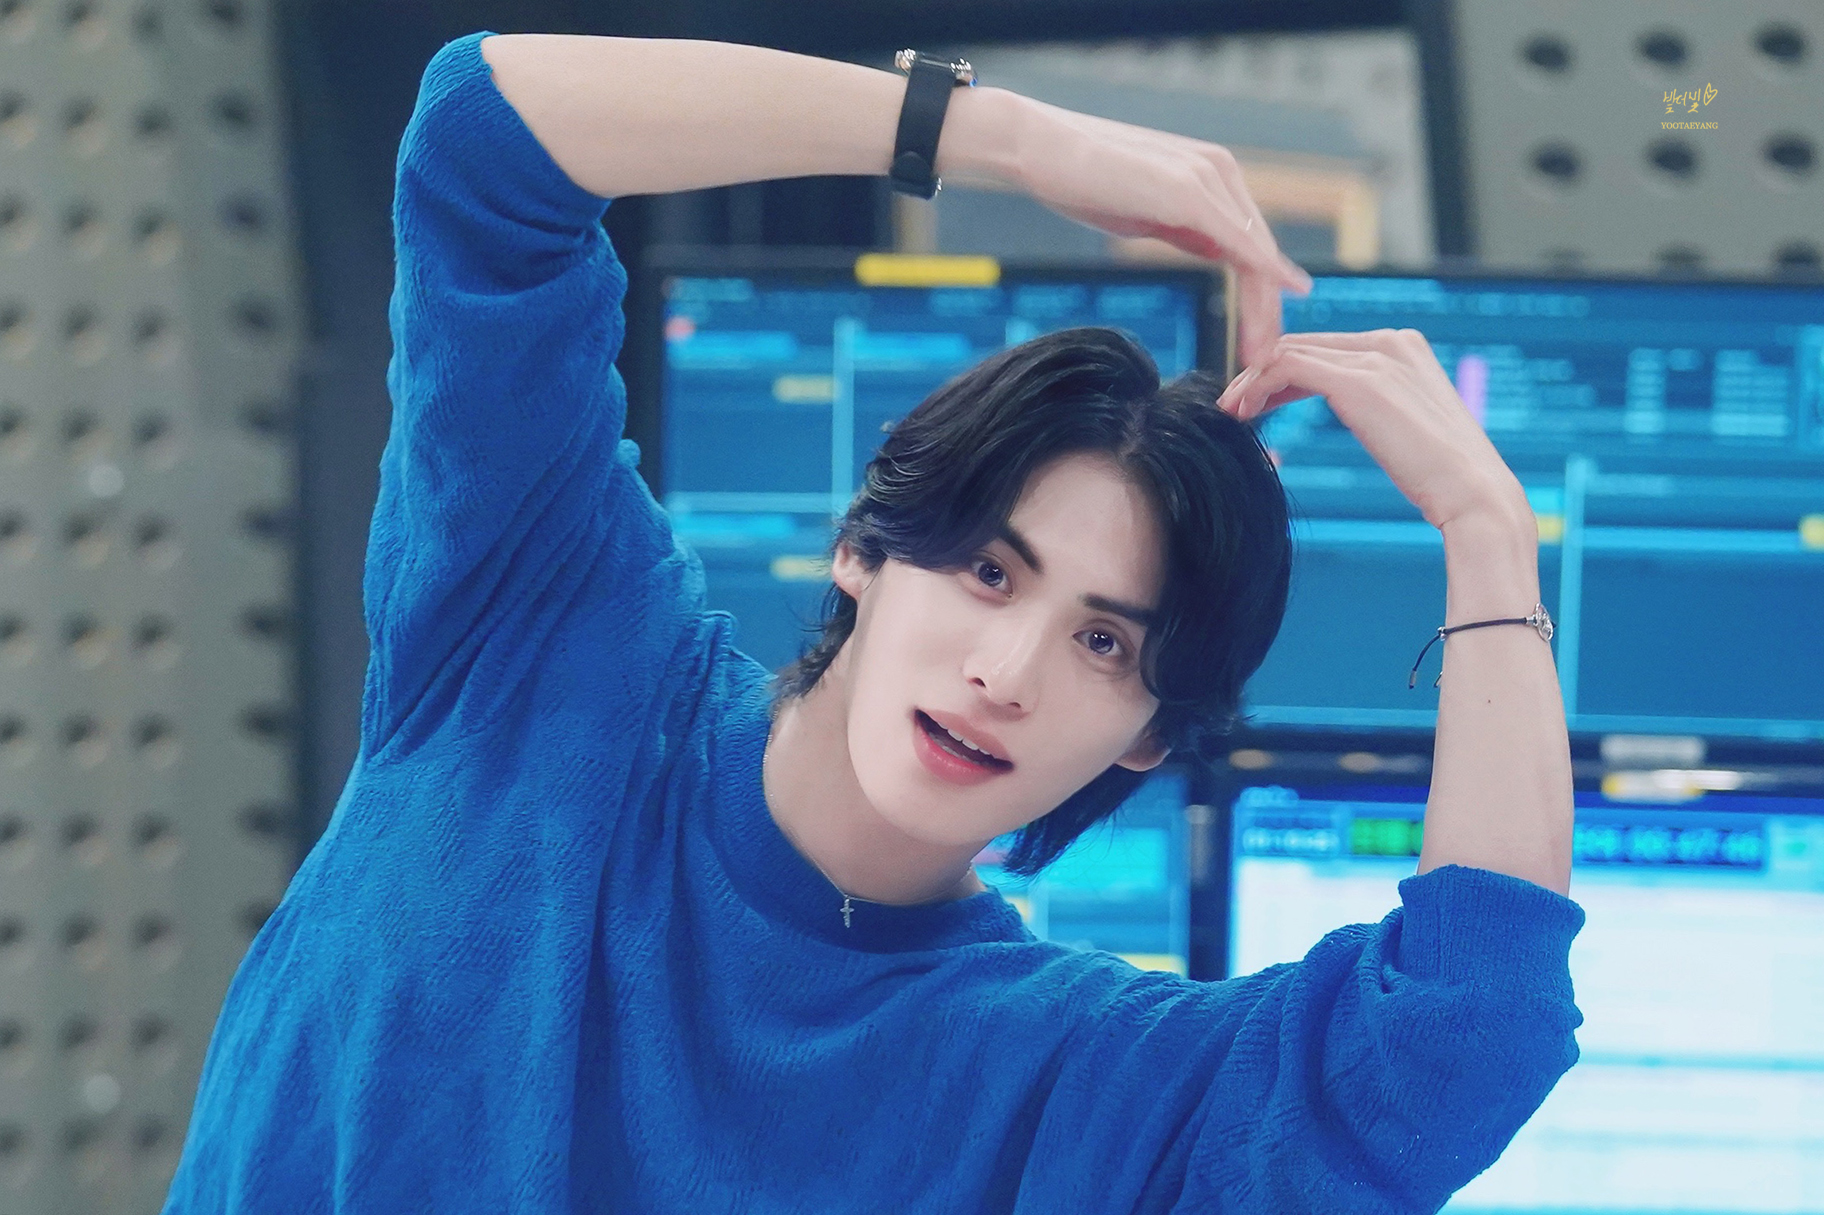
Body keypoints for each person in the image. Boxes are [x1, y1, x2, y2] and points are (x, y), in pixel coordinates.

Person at [161, 30, 1584, 1215]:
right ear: (864, 547)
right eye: (990, 573)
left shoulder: (1065, 1075)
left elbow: (1462, 1040)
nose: (1006, 671)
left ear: (1154, 734)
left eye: (1105, 643)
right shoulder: (547, 637)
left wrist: (1487, 539)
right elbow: (487, 134)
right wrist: (1004, 136)